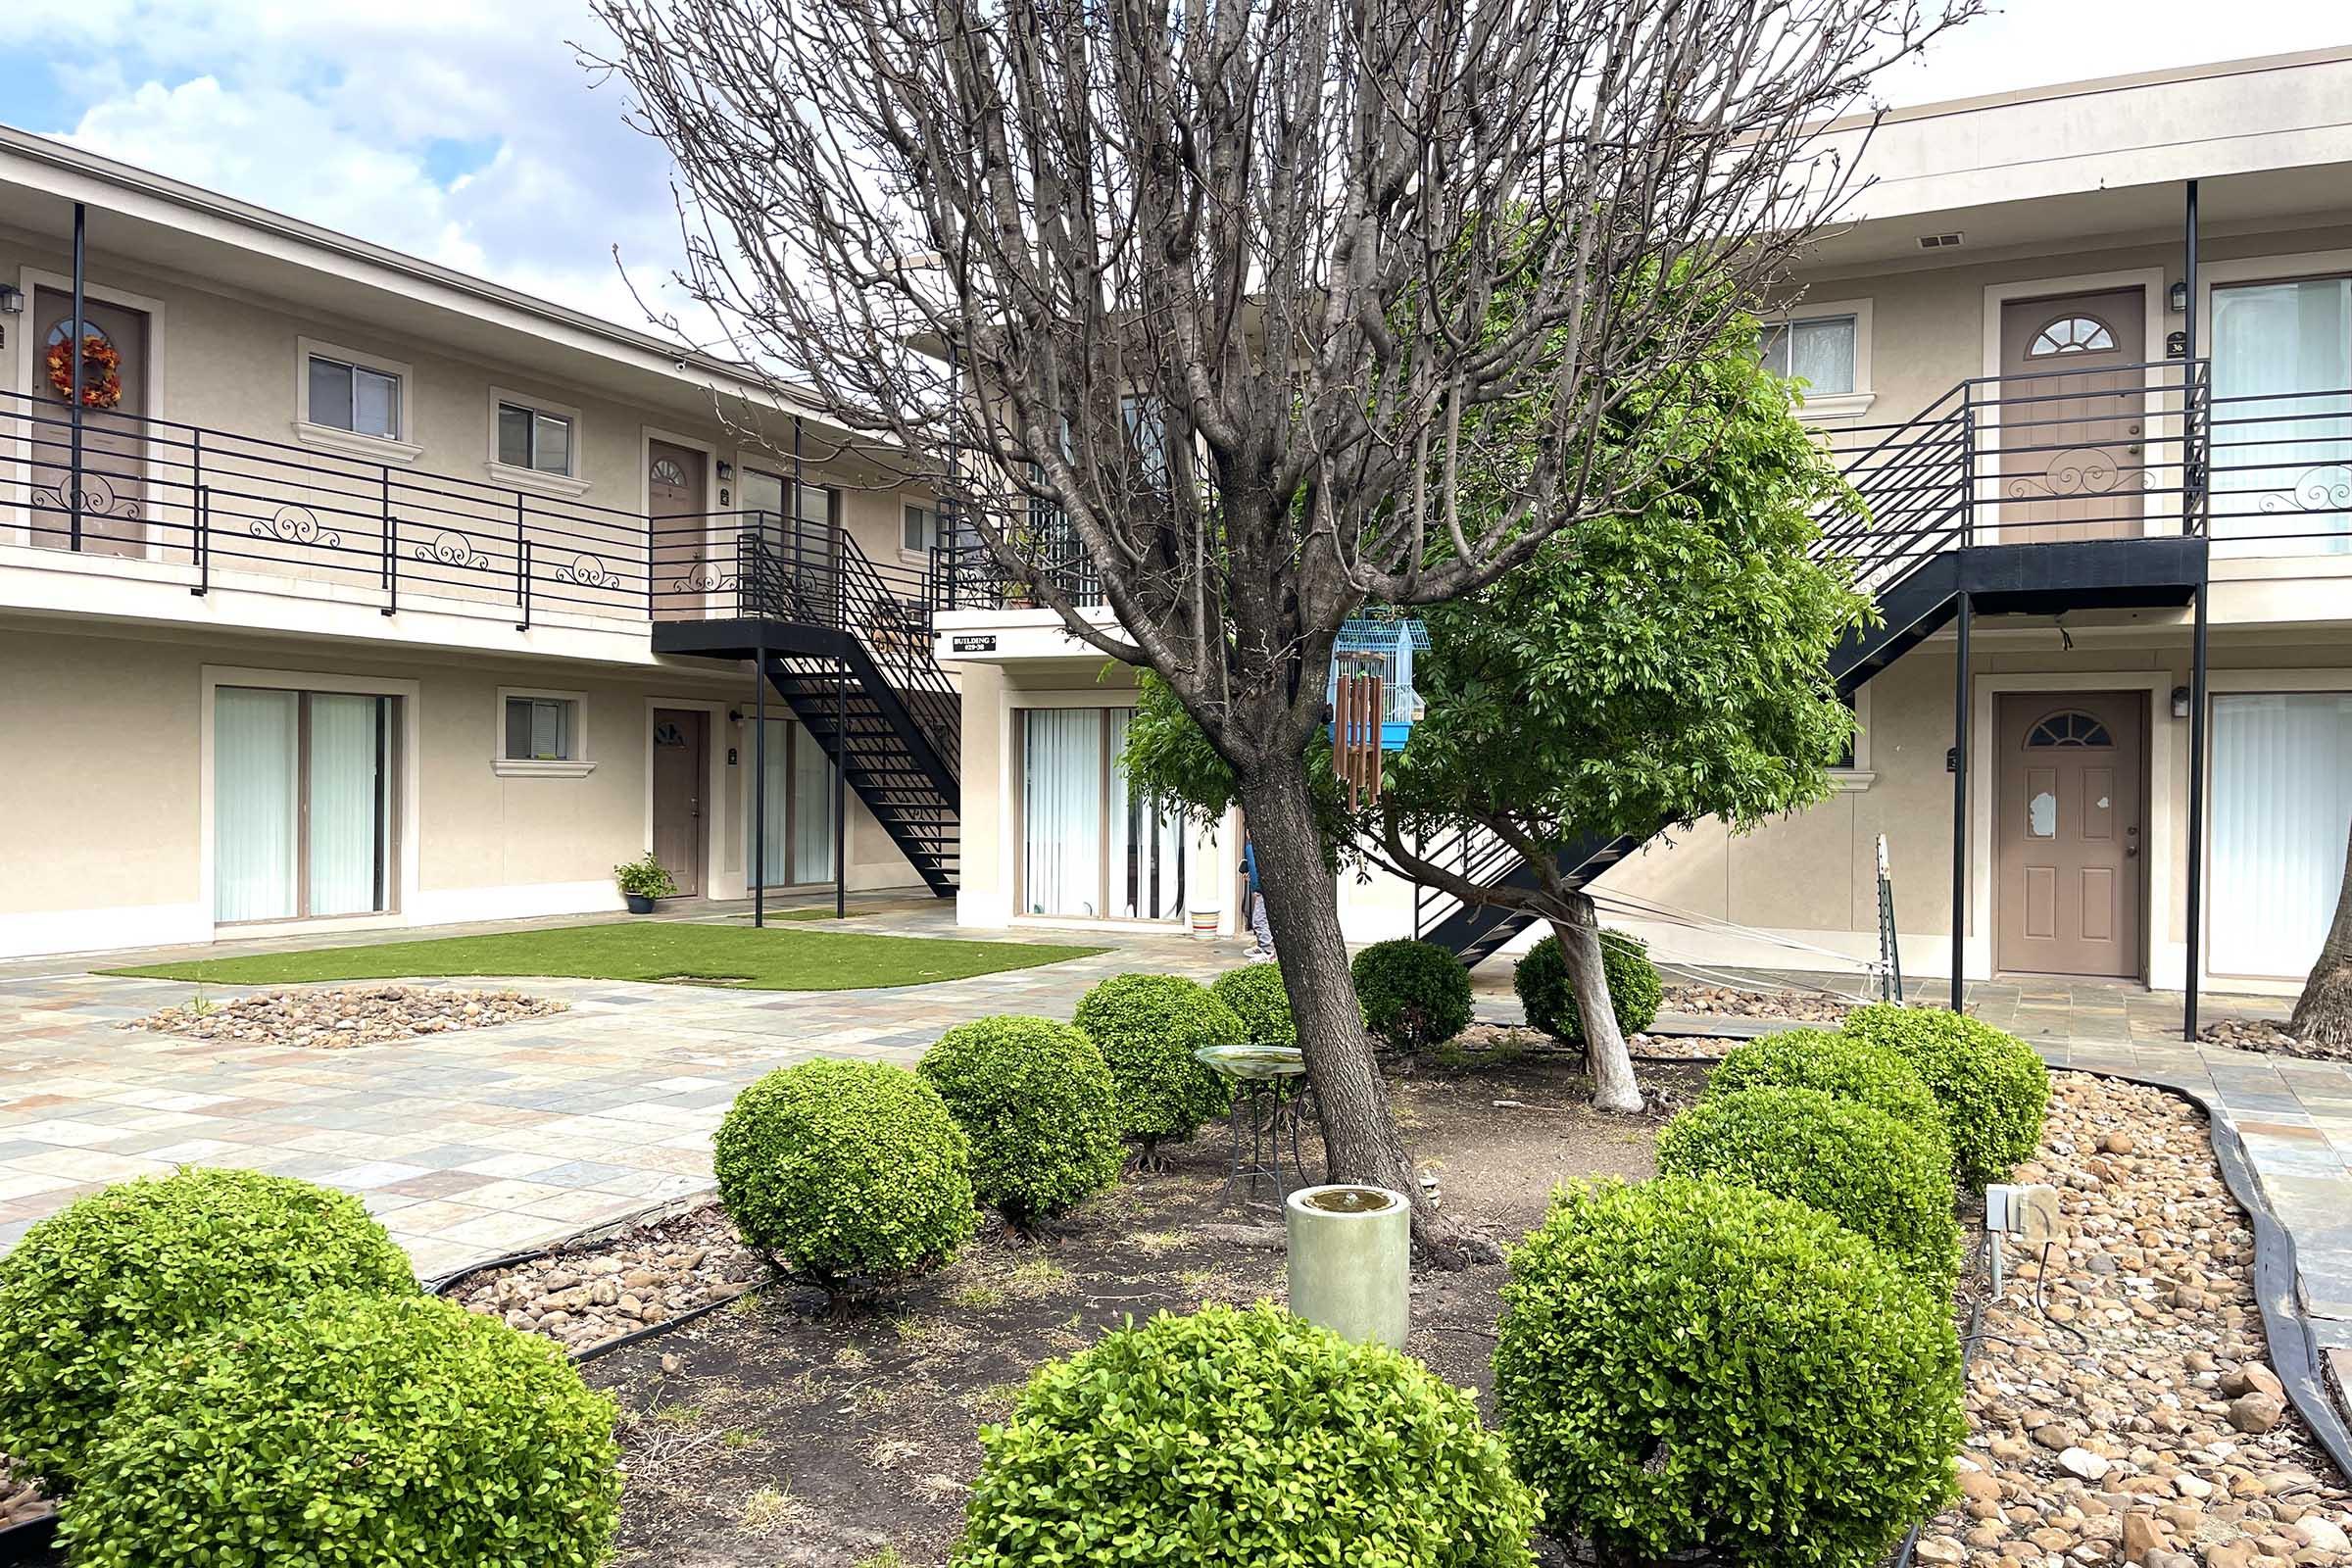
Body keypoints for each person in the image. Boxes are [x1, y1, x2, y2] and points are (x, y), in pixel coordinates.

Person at [1242, 836, 1274, 961]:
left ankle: (1268, 952)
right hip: (1259, 888)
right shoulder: (1250, 848)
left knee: (1259, 920)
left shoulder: (1262, 847)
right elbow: (1254, 867)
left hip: (1264, 889)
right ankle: (1262, 946)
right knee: (1261, 919)